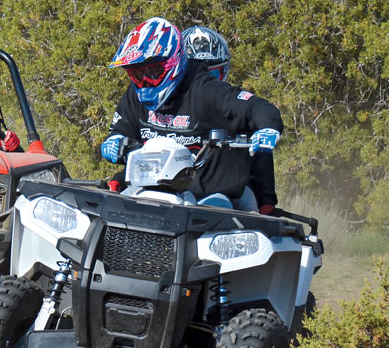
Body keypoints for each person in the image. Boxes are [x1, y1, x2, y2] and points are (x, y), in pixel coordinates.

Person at [100, 17, 283, 210]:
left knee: (222, 212)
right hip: (150, 187)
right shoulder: (135, 93)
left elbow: (257, 107)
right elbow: (122, 128)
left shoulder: (206, 89)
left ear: (173, 62)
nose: (145, 81)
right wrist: (115, 139)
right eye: (138, 74)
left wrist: (268, 128)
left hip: (210, 195)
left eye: (153, 72)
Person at [181, 24, 278, 214]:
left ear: (224, 69)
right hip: (177, 183)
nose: (204, 81)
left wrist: (266, 200)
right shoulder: (167, 103)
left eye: (212, 73)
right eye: (194, 73)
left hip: (228, 188)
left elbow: (261, 153)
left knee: (248, 209)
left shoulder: (231, 103)